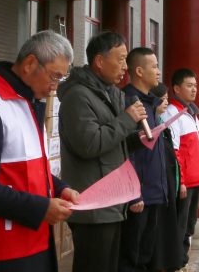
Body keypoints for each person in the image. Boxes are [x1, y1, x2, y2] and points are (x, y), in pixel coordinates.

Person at [0, 30, 80, 272]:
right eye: (54, 76)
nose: (55, 87)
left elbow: (28, 170)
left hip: (35, 242)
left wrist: (59, 188)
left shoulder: (29, 103)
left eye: (61, 79)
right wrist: (41, 208)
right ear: (30, 64)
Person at [57, 31, 147, 272]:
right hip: (93, 202)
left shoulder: (111, 93)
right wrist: (127, 120)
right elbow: (89, 144)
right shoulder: (78, 96)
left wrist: (139, 138)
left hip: (113, 200)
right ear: (99, 61)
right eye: (120, 59)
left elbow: (113, 141)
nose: (125, 67)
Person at [119, 47, 167, 272]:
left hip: (154, 190)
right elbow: (125, 150)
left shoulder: (150, 103)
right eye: (154, 66)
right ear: (139, 71)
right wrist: (134, 192)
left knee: (146, 254)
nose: (158, 71)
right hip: (139, 196)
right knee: (132, 256)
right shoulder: (130, 102)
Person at [162, 68, 199, 267]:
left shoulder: (192, 114)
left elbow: (197, 152)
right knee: (179, 226)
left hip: (196, 181)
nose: (194, 89)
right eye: (189, 86)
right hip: (185, 183)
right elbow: (175, 152)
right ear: (177, 89)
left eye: (195, 85)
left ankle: (183, 261)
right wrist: (181, 182)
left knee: (189, 225)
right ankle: (176, 263)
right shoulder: (172, 114)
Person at [149, 83, 186, 272]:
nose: (165, 102)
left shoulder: (162, 123)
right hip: (156, 185)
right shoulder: (150, 123)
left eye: (166, 98)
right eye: (161, 99)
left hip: (169, 182)